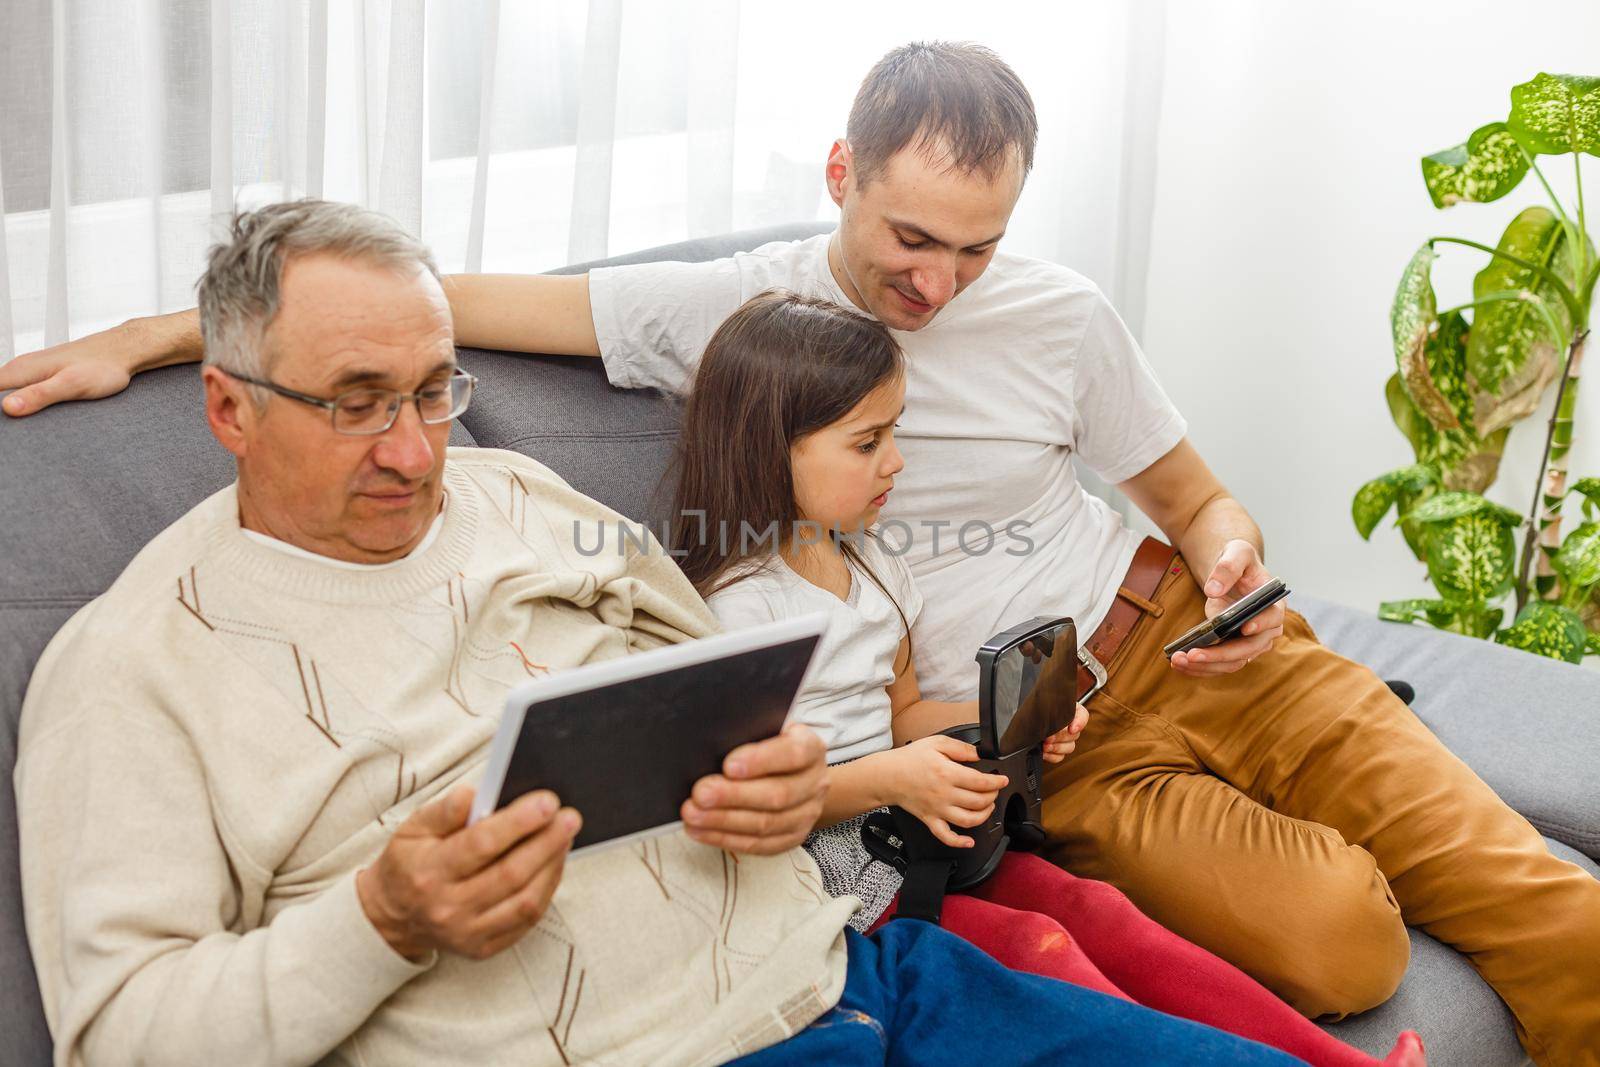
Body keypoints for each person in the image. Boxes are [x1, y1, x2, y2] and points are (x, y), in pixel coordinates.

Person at [6, 41, 1597, 1065]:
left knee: (1538, 901)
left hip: (1130, 687)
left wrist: (1236, 563)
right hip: (986, 800)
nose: (941, 283)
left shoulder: (549, 508)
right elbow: (470, 300)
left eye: (434, 396)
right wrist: (147, 331)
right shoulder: (136, 664)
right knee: (1343, 934)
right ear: (843, 179)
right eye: (911, 241)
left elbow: (1182, 495)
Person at [14, 200, 1302, 1067]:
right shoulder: (134, 669)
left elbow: (724, 700)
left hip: (860, 977)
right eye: (357, 405)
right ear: (229, 409)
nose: (417, 452)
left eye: (431, 391)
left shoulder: (518, 498)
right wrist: (381, 916)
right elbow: (120, 1030)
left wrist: (784, 776)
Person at [674, 289, 1424, 1067]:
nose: (896, 459)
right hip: (839, 887)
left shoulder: (876, 566)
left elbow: (905, 715)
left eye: (896, 430)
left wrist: (1015, 722)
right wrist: (891, 779)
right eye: (868, 442)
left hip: (929, 837)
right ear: (771, 448)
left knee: (1106, 913)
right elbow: (744, 804)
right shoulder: (740, 609)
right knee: (1044, 946)